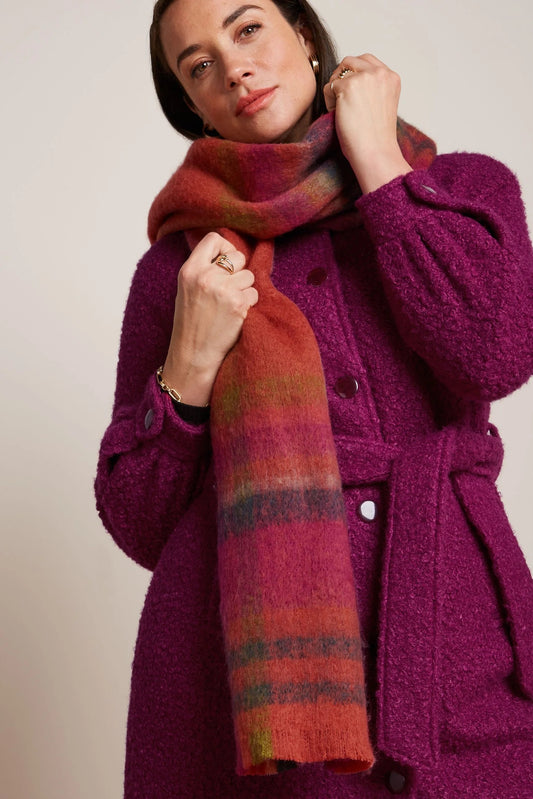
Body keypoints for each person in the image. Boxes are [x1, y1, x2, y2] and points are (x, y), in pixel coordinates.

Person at [94, 0, 533, 796]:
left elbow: (492, 356)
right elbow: (138, 522)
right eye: (199, 65)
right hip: (250, 696)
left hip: (455, 636)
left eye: (247, 28)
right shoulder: (181, 269)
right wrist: (187, 370)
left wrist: (380, 167)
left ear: (300, 32)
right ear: (193, 103)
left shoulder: (462, 189)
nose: (233, 68)